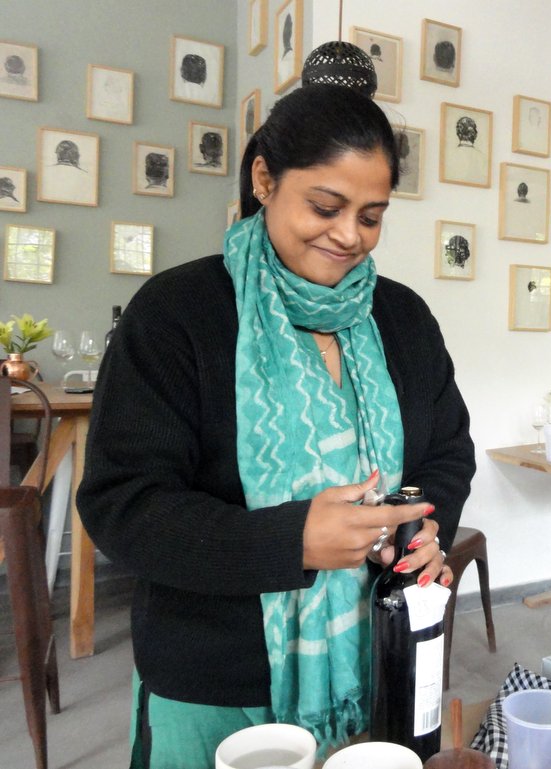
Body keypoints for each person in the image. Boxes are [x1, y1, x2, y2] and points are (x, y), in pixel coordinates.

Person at [77, 84, 475, 768]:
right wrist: (291, 541)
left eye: (371, 216)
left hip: (377, 660)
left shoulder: (403, 318)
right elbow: (123, 505)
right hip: (216, 680)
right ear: (264, 179)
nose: (349, 235)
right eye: (325, 206)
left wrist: (421, 527)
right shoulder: (177, 314)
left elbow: (448, 452)